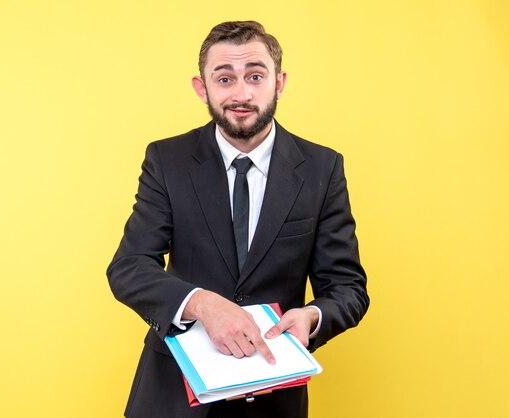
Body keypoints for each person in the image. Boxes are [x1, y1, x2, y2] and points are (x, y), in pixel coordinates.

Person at [107, 20, 369, 418]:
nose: (241, 94)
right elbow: (128, 267)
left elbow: (348, 288)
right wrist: (202, 304)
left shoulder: (322, 168)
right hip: (173, 396)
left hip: (274, 398)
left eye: (255, 76)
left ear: (279, 83)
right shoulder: (167, 161)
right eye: (225, 78)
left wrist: (312, 318)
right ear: (202, 87)